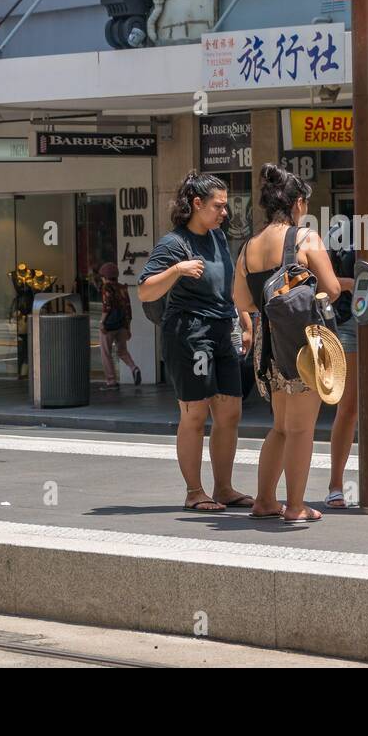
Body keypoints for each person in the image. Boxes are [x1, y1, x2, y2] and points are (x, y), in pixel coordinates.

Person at [138, 171, 252, 513]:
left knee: (230, 411)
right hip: (189, 333)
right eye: (218, 206)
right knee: (195, 412)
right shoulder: (174, 244)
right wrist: (177, 271)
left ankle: (224, 488)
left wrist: (244, 318)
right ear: (197, 204)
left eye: (226, 205)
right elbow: (145, 289)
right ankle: (194, 491)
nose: (225, 212)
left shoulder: (217, 238)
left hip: (222, 328)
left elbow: (229, 284)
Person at [233, 163, 341, 523]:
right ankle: (295, 505)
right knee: (301, 428)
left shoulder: (249, 246)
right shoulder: (304, 238)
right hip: (301, 341)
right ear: (297, 204)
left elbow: (243, 301)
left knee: (280, 426)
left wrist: (272, 303)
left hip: (267, 342)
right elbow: (333, 289)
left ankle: (264, 500)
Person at [325, 218, 358, 508]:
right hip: (349, 321)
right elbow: (325, 281)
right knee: (348, 406)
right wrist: (348, 284)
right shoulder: (342, 228)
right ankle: (336, 484)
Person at [97, 262, 141, 390]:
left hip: (109, 327)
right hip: (122, 325)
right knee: (122, 351)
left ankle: (111, 381)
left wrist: (102, 323)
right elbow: (128, 309)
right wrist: (128, 328)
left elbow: (107, 307)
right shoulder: (122, 288)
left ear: (105, 276)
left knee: (106, 353)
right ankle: (134, 367)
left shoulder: (107, 288)